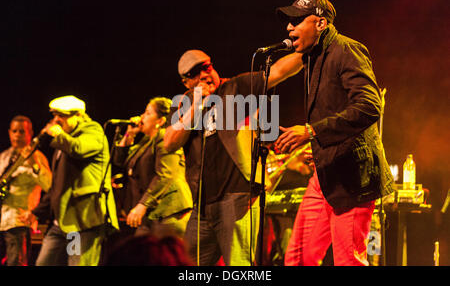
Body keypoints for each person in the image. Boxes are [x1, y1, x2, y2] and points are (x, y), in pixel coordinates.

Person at [274, 0, 394, 266]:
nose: (289, 28)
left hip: (352, 178)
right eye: (288, 22)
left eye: (296, 21)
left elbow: (369, 106)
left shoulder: (347, 50)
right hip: (325, 175)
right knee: (298, 258)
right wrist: (318, 146)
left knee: (347, 261)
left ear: (320, 23)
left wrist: (312, 132)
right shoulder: (313, 58)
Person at [164, 49, 304, 265]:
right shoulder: (185, 103)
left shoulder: (235, 88)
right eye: (194, 74)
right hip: (201, 206)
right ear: (186, 82)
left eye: (205, 67)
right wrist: (196, 106)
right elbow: (169, 142)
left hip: (238, 197)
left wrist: (310, 48)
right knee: (187, 264)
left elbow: (278, 71)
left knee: (240, 266)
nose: (203, 75)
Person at [30, 95, 119, 266]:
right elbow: (57, 185)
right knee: (43, 263)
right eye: (54, 115)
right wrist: (36, 212)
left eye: (61, 116)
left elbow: (79, 149)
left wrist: (60, 135)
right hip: (60, 223)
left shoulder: (93, 131)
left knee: (78, 263)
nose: (56, 120)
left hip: (80, 223)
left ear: (78, 115)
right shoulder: (63, 142)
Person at [112, 97, 192, 238]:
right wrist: (129, 134)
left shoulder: (164, 138)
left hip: (169, 211)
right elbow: (119, 161)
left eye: (148, 113)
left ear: (160, 121)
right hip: (152, 214)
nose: (142, 117)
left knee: (166, 258)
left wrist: (142, 205)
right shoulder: (145, 142)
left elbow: (165, 174)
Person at [0, 115, 52, 266]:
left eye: (22, 131)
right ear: (9, 132)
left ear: (30, 133)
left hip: (18, 223)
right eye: (14, 131)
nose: (17, 135)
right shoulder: (3, 156)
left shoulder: (37, 157)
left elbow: (50, 185)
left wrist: (34, 165)